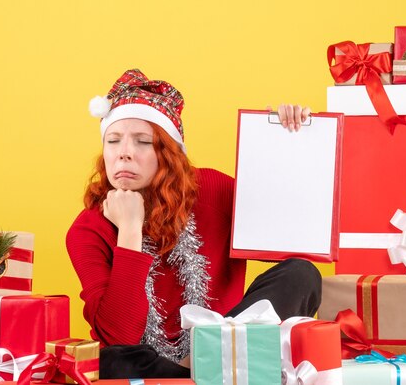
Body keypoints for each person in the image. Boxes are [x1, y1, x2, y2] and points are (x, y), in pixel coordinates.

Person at [66, 69, 321, 378]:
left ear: (170, 153)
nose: (124, 154)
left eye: (143, 141)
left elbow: (293, 238)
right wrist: (130, 231)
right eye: (113, 141)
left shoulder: (212, 189)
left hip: (225, 338)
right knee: (112, 359)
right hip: (151, 361)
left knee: (300, 274)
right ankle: (214, 371)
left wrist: (279, 144)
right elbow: (119, 334)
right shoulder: (88, 228)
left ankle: (207, 361)